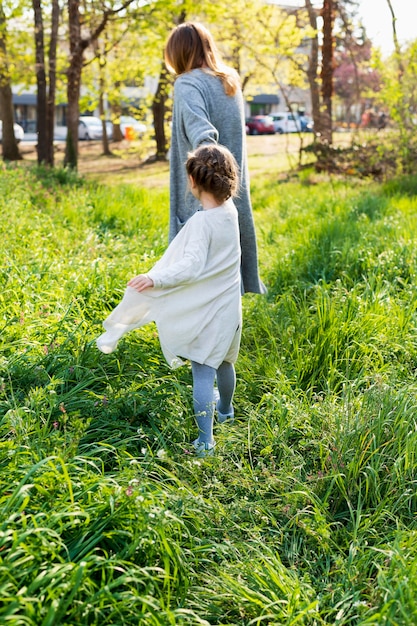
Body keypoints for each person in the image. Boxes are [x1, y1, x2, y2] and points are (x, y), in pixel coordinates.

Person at [96, 144, 242, 457]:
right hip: (230, 307)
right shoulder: (230, 213)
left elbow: (191, 266)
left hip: (208, 310)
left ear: (193, 182)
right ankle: (226, 410)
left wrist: (155, 279)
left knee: (202, 372)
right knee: (226, 361)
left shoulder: (203, 223)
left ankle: (205, 441)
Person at [164, 21, 266, 295]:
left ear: (177, 53)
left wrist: (202, 180)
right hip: (231, 192)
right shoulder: (229, 81)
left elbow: (204, 135)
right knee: (225, 269)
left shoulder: (187, 83)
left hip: (203, 195)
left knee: (196, 272)